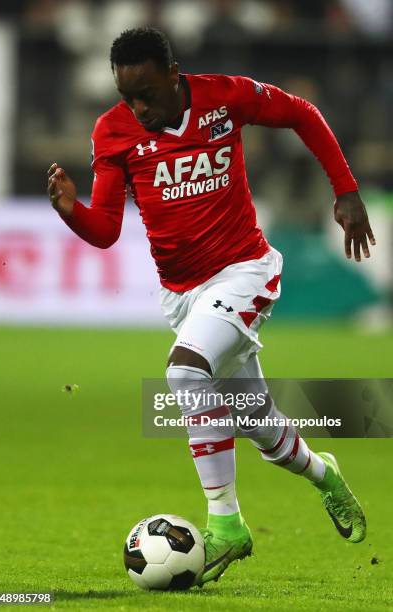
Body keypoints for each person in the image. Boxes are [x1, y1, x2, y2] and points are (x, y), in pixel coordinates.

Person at [47, 27, 374, 585]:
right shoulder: (113, 131)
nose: (139, 107)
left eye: (148, 92)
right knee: (257, 422)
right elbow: (104, 229)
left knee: (185, 371)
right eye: (129, 95)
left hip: (244, 270)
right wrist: (70, 210)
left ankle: (227, 523)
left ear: (174, 75)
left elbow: (302, 113)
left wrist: (344, 190)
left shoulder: (225, 97)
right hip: (183, 294)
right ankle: (326, 476)